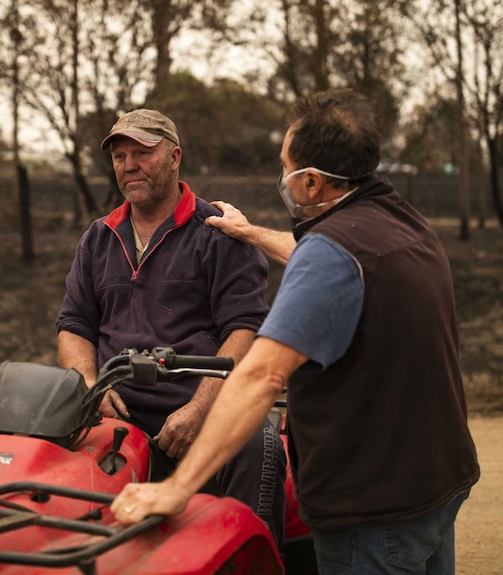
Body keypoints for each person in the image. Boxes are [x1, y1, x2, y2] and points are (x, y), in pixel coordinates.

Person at [110, 89, 480, 575]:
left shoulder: (330, 254)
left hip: (371, 506)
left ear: (309, 183)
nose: (280, 177)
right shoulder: (401, 220)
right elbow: (327, 256)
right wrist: (253, 233)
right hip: (438, 480)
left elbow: (261, 375)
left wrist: (177, 488)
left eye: (285, 167)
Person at [56, 108, 286, 546]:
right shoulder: (98, 236)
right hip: (117, 409)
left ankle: (250, 554)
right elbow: (74, 323)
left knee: (259, 443)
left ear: (175, 156)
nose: (128, 165)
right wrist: (89, 385)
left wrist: (200, 410)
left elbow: (245, 329)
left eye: (142, 152)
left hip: (203, 404)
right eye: (120, 156)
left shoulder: (218, 234)